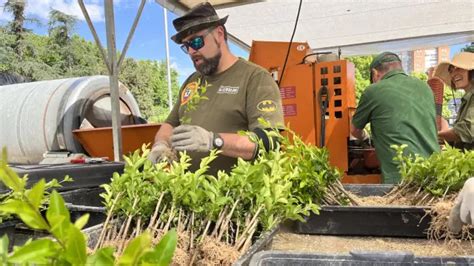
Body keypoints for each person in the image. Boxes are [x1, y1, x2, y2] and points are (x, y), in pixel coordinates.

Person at [148, 2, 284, 175]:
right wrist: (160, 145)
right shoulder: (192, 82)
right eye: (186, 46)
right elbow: (170, 124)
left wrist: (214, 141)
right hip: (189, 193)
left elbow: (269, 141)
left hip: (235, 196)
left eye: (196, 42)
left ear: (219, 34)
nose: (191, 51)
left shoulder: (255, 78)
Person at [350, 52, 439, 184]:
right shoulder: (425, 87)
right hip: (434, 170)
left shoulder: (373, 91)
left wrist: (365, 137)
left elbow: (354, 130)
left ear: (375, 73)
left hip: (401, 176)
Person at [435, 51, 474, 150]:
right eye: (451, 70)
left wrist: (436, 135)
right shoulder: (467, 98)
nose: (453, 74)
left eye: (459, 68)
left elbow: (467, 130)